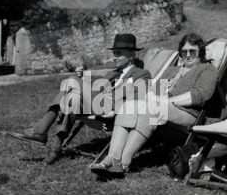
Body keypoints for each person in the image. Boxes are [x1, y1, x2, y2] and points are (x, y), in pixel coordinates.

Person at [8, 33, 151, 165]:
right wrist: (83, 80)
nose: (114, 57)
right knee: (72, 98)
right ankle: (55, 149)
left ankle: (40, 131)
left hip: (113, 110)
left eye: (118, 53)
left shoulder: (141, 74)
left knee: (72, 81)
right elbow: (96, 91)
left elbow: (138, 99)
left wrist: (117, 110)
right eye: (114, 53)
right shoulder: (111, 74)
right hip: (99, 104)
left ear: (131, 54)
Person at [90, 33, 218, 178]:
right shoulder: (173, 70)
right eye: (184, 51)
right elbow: (153, 88)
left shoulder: (206, 69)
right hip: (160, 108)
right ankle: (112, 157)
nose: (188, 55)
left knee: (152, 108)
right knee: (128, 105)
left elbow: (199, 95)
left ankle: (123, 161)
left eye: (193, 51)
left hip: (187, 114)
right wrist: (151, 97)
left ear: (200, 52)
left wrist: (165, 101)